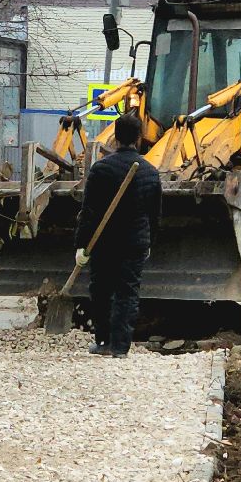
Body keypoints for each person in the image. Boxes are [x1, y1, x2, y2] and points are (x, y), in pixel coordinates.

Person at [75, 112, 161, 359]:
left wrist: (81, 246)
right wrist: (149, 242)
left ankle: (103, 341)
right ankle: (121, 347)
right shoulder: (150, 172)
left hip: (104, 243)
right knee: (128, 293)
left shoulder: (101, 169)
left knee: (101, 291)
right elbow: (155, 214)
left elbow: (88, 212)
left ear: (115, 137)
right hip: (135, 243)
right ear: (138, 138)